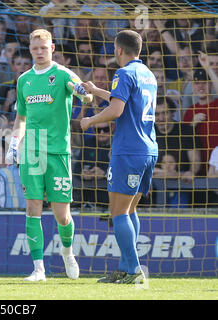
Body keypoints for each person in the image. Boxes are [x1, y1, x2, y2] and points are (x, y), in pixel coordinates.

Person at [6, 29, 91, 282]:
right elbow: (21, 117)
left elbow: (84, 94)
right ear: (30, 50)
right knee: (32, 208)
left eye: (44, 48)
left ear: (52, 48)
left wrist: (82, 91)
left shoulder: (63, 74)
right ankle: (38, 269)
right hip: (32, 148)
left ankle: (67, 253)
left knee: (61, 213)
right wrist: (13, 143)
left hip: (58, 150)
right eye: (35, 49)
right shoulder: (24, 80)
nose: (40, 52)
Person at [80, 30, 158, 284]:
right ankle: (126, 267)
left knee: (118, 211)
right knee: (130, 208)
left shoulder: (123, 73)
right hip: (148, 149)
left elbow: (116, 109)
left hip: (129, 149)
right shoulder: (148, 74)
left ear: (118, 50)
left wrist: (91, 119)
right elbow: (123, 99)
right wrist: (96, 90)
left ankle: (134, 269)